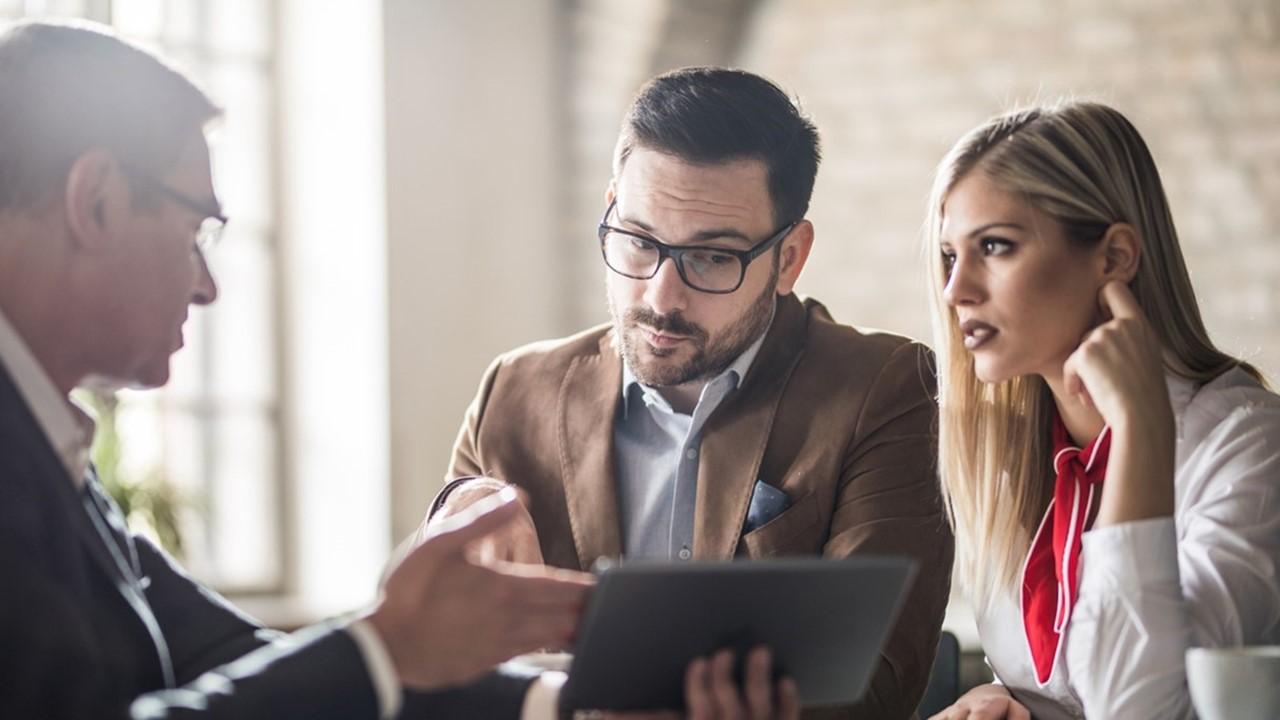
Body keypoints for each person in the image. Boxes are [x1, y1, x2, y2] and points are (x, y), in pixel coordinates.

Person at [0, 20, 795, 720]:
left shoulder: (45, 441)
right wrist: (384, 646)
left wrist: (564, 705)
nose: (206, 285)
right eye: (197, 230)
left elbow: (226, 659)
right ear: (97, 201)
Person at [426, 66, 954, 719]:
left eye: (711, 258)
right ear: (612, 207)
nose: (660, 297)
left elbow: (877, 686)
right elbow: (437, 664)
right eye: (640, 241)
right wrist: (458, 508)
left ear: (790, 256)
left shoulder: (889, 390)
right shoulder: (515, 389)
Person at [923, 101, 1280, 719]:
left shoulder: (1250, 448)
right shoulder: (1012, 460)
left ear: (1114, 257)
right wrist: (1011, 703)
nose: (957, 290)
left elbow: (1138, 707)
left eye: (997, 246)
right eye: (951, 255)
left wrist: (1141, 429)